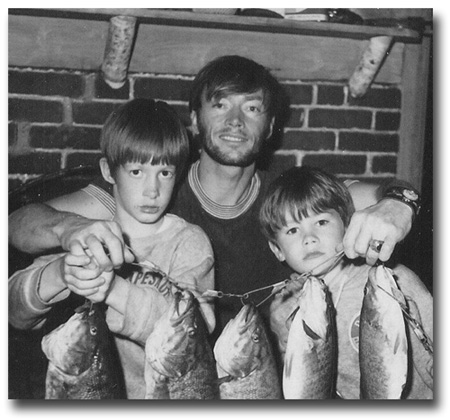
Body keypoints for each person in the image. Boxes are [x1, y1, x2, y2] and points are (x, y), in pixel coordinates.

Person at [9, 55, 420, 338]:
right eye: (220, 105)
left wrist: (398, 204)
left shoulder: (287, 197)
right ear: (194, 119)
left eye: (252, 109)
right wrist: (69, 229)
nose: (235, 122)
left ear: (271, 125)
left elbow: (383, 193)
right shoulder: (154, 188)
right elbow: (20, 223)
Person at [9, 99, 215, 399]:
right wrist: (59, 273)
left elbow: (196, 328)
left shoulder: (188, 242)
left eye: (165, 172)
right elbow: (13, 311)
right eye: (136, 172)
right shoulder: (89, 236)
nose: (152, 190)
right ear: (108, 171)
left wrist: (114, 291)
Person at [259, 166, 433, 399]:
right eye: (292, 230)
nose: (309, 239)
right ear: (277, 249)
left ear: (347, 224)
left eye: (321, 222)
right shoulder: (283, 307)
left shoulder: (392, 281)